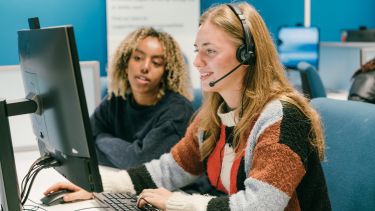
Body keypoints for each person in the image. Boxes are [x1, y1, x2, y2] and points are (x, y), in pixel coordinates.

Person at [45, 3, 331, 210]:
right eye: (198, 50)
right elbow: (168, 170)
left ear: (247, 55)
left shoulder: (283, 118)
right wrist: (97, 187)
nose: (197, 63)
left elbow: (259, 206)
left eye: (210, 51)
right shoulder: (213, 117)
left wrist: (177, 202)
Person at [91, 27, 194, 169]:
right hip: (121, 181)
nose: (145, 67)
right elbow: (87, 144)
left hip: (174, 190)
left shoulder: (178, 111)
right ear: (125, 63)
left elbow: (139, 162)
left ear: (166, 72)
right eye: (138, 58)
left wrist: (101, 138)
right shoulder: (115, 99)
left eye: (156, 62)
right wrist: (127, 154)